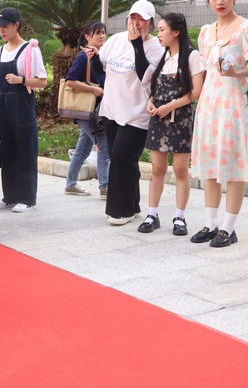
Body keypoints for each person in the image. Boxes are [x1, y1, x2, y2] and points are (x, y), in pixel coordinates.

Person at [189, 0, 248, 247]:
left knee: (233, 165)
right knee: (210, 163)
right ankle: (211, 224)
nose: (220, 2)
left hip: (234, 104)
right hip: (210, 104)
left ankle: (228, 228)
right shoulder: (205, 32)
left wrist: (235, 72)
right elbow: (205, 68)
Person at [97, 0, 164, 225]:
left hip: (137, 114)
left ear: (151, 23)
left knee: (121, 159)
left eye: (142, 19)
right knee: (125, 161)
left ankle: (120, 211)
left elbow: (147, 77)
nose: (136, 23)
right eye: (133, 17)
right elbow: (100, 68)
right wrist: (92, 57)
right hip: (111, 111)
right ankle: (133, 205)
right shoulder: (115, 40)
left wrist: (137, 45)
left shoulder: (156, 47)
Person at [139, 13, 205, 235]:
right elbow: (155, 89)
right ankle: (152, 214)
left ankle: (180, 217)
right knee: (157, 168)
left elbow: (196, 91)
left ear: (176, 32)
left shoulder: (192, 56)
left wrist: (170, 106)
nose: (158, 34)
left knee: (180, 170)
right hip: (159, 118)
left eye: (161, 30)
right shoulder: (164, 56)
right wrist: (150, 102)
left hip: (181, 119)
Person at [0, 7, 48, 213]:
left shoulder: (30, 50)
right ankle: (9, 196)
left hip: (22, 109)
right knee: (6, 151)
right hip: (2, 109)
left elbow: (42, 81)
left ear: (17, 25)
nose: (1, 30)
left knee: (25, 150)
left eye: (5, 26)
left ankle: (26, 198)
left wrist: (21, 80)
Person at [64, 20, 110, 199]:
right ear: (87, 37)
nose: (102, 36)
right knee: (104, 145)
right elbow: (70, 81)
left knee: (83, 149)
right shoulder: (84, 57)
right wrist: (94, 90)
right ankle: (105, 187)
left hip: (93, 110)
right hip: (89, 111)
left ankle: (70, 184)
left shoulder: (100, 56)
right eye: (97, 33)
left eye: (103, 32)